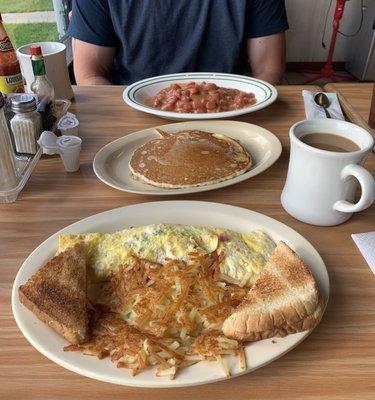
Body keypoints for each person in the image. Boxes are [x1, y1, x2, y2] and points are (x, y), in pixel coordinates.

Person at [68, 0, 288, 86]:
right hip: (129, 110)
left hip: (227, 108)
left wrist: (232, 106)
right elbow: (91, 74)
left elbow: (269, 70)